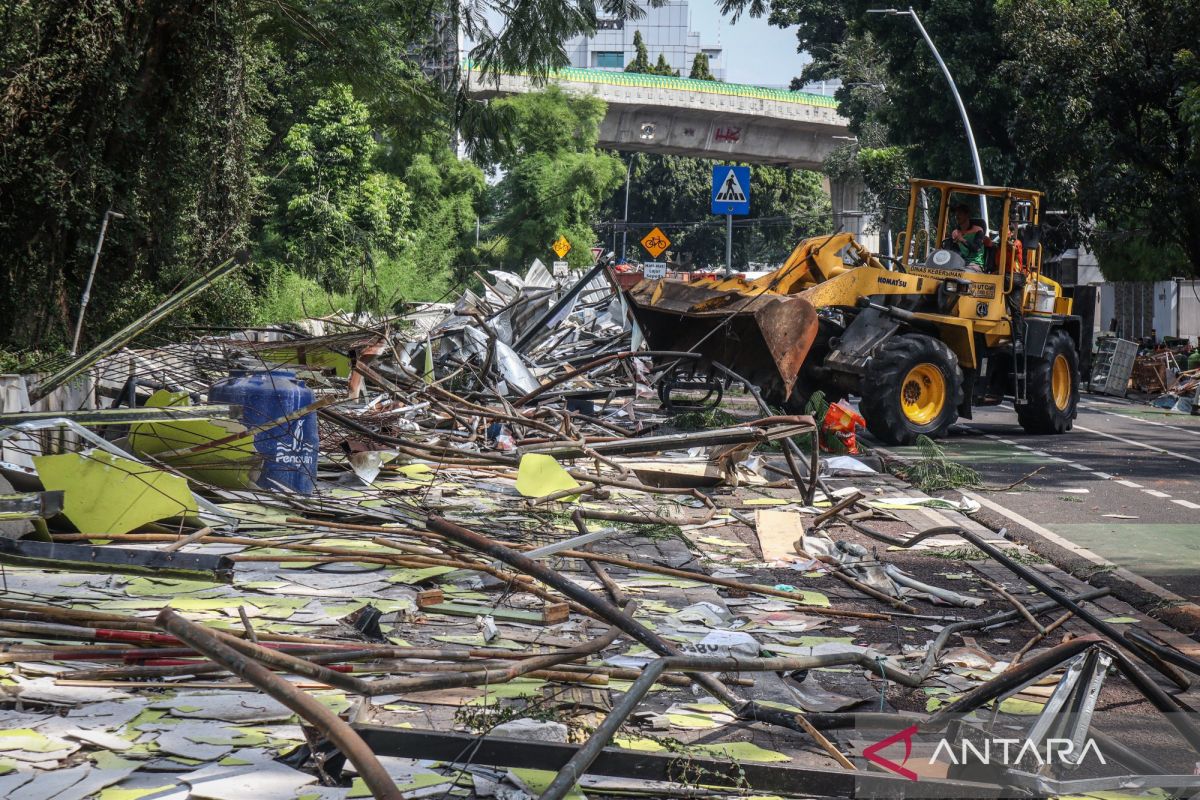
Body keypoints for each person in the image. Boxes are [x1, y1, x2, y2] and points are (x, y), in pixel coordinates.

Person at [949, 202, 988, 270]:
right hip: (960, 264)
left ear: (967, 215)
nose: (957, 216)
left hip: (974, 264)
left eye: (960, 214)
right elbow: (953, 251)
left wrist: (962, 240)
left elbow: (976, 248)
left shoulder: (978, 230)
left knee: (961, 274)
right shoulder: (955, 232)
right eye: (956, 214)